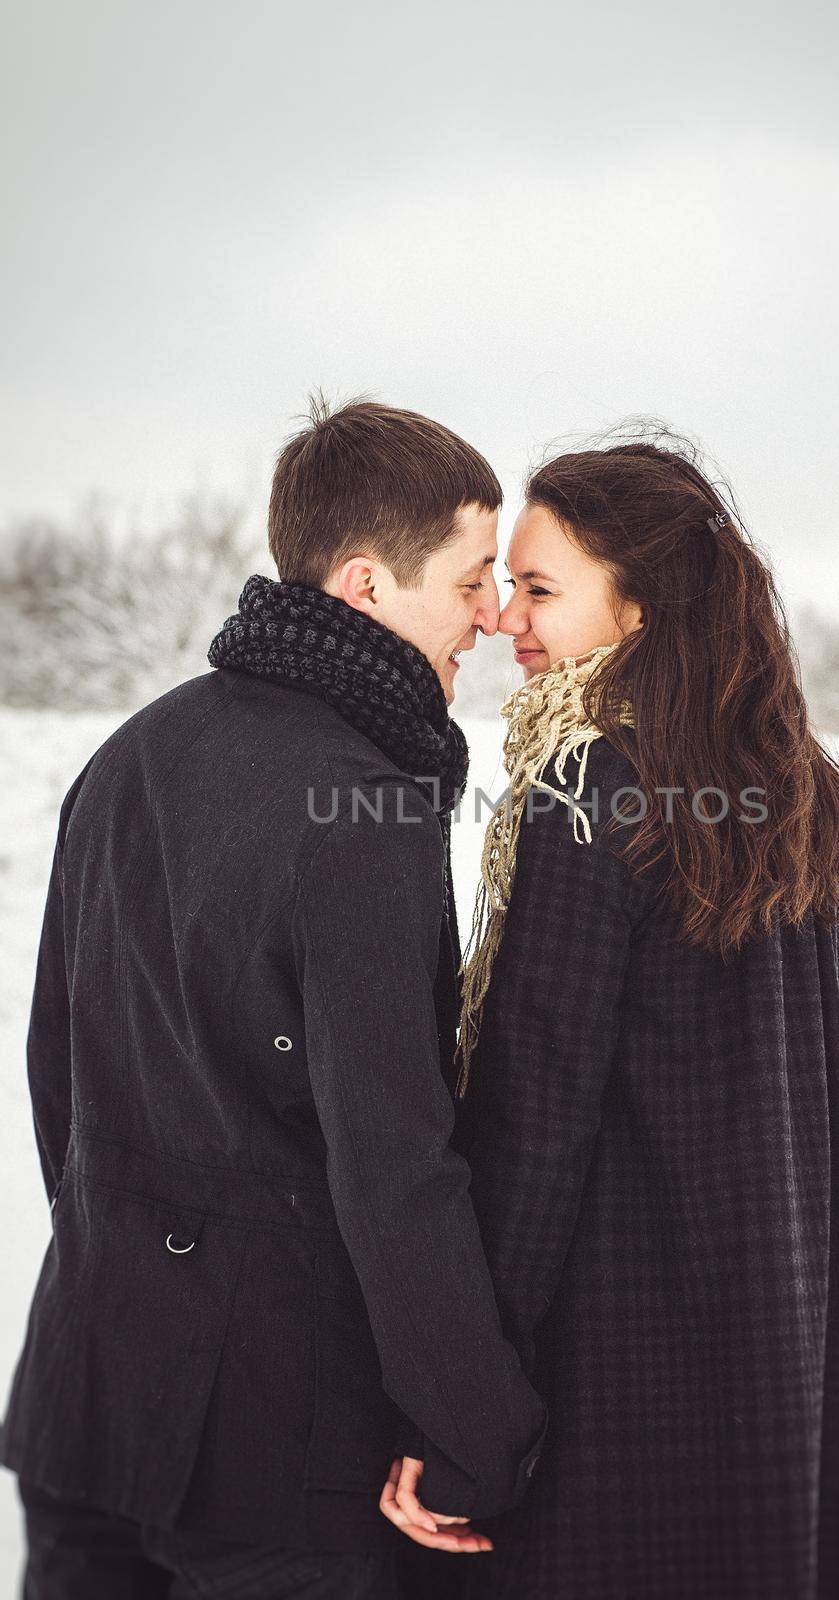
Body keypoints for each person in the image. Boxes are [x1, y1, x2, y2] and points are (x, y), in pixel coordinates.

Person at [0, 398, 546, 1598]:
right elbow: (394, 1163)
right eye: (466, 583)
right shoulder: (363, 810)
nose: (491, 622)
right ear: (363, 584)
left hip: (87, 1395)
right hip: (271, 1457)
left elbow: (60, 1077)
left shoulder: (129, 752)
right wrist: (480, 1428)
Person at [438, 435, 839, 1599]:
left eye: (539, 588)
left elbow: (533, 1125)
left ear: (637, 607)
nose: (503, 618)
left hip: (614, 1362)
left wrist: (468, 1395)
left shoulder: (587, 788)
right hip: (766, 1332)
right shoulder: (789, 785)